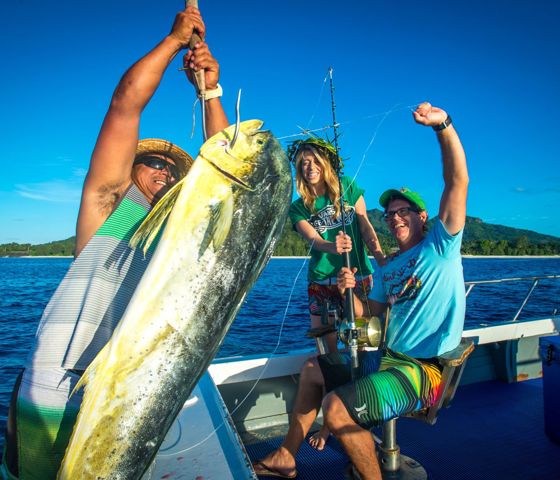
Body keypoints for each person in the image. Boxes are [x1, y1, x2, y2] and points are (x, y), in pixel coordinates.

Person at [1, 7, 228, 480]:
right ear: (130, 171)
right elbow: (125, 104)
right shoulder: (108, 205)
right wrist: (172, 43)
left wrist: (210, 89)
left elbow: (229, 173)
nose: (164, 172)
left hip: (130, 389)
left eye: (173, 170)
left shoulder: (179, 234)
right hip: (57, 382)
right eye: (151, 164)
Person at [253, 102, 468, 480]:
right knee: (311, 369)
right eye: (390, 213)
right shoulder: (386, 271)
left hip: (423, 370)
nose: (395, 217)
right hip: (388, 358)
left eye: (405, 211)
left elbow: (456, 182)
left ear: (423, 217)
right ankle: (287, 457)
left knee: (336, 408)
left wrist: (443, 126)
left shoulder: (440, 245)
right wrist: (347, 287)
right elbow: (367, 314)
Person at [287, 138, 385, 450]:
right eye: (303, 162)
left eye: (314, 161)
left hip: (356, 277)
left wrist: (381, 259)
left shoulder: (348, 187)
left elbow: (366, 225)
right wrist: (332, 246)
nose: (309, 167)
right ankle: (330, 425)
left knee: (364, 347)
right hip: (321, 282)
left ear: (326, 164)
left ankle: (357, 417)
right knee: (328, 356)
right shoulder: (298, 207)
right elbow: (313, 239)